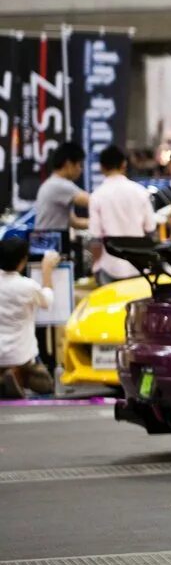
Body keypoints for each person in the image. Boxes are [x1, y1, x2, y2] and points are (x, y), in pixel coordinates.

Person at [0, 237, 59, 398]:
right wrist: (47, 270)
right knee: (46, 388)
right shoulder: (27, 286)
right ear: (23, 261)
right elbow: (47, 300)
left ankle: (6, 378)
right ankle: (18, 375)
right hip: (21, 355)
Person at [88, 145, 156, 283]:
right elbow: (150, 229)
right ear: (124, 164)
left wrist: (96, 267)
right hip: (139, 266)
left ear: (101, 167)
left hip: (109, 266)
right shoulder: (140, 192)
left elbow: (95, 239)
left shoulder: (97, 196)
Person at [33, 143, 90, 232]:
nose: (80, 170)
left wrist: (100, 224)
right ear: (68, 164)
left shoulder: (52, 182)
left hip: (44, 240)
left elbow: (74, 222)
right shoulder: (60, 185)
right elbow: (93, 201)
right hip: (50, 240)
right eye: (79, 165)